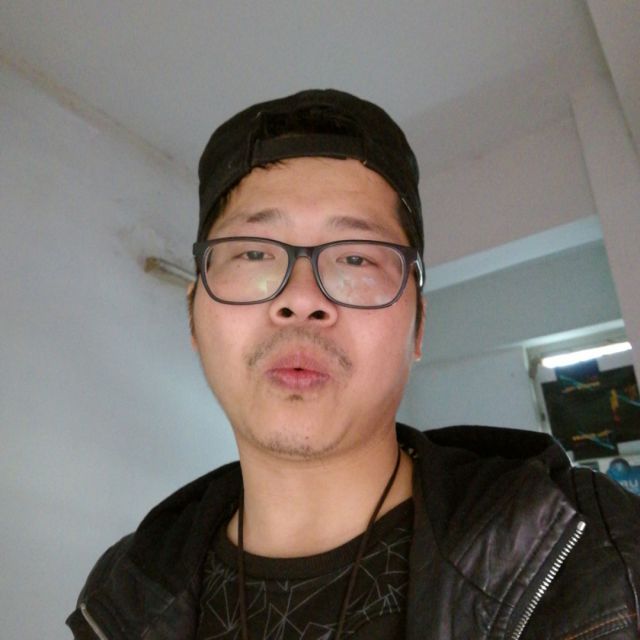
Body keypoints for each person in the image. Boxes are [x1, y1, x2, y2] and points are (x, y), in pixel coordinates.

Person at [67, 89, 640, 639]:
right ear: (194, 315)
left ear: (418, 326)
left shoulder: (600, 552)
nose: (302, 298)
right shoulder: (123, 598)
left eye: (357, 259)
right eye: (254, 253)